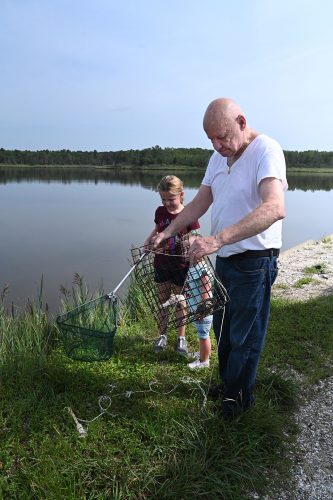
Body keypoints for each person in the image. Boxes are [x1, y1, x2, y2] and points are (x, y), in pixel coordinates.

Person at [153, 97, 288, 419]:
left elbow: (274, 208)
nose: (217, 145)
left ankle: (238, 400)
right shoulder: (217, 157)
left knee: (245, 333)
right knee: (222, 328)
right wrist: (168, 231)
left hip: (255, 259)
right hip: (225, 257)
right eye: (211, 139)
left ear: (242, 122)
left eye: (223, 136)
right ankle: (229, 384)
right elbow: (200, 202)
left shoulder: (266, 150)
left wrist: (217, 239)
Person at [144, 175, 200, 355]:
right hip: (161, 263)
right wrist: (148, 241)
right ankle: (162, 335)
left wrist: (190, 244)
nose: (167, 203)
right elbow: (157, 230)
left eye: (171, 199)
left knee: (179, 302)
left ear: (181, 195)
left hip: (180, 266)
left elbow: (195, 236)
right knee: (162, 301)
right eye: (163, 199)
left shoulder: (189, 213)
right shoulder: (160, 211)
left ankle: (181, 338)